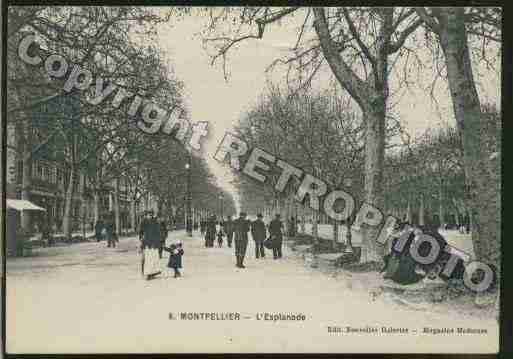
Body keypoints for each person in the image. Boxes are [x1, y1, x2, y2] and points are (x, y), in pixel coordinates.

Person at [140, 210, 162, 280]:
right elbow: (141, 232)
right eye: (148, 215)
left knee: (152, 258)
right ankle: (148, 273)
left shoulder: (155, 222)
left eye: (150, 215)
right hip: (147, 243)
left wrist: (158, 242)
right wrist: (141, 239)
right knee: (148, 258)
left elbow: (158, 233)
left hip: (153, 243)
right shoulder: (144, 222)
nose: (149, 216)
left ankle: (152, 272)